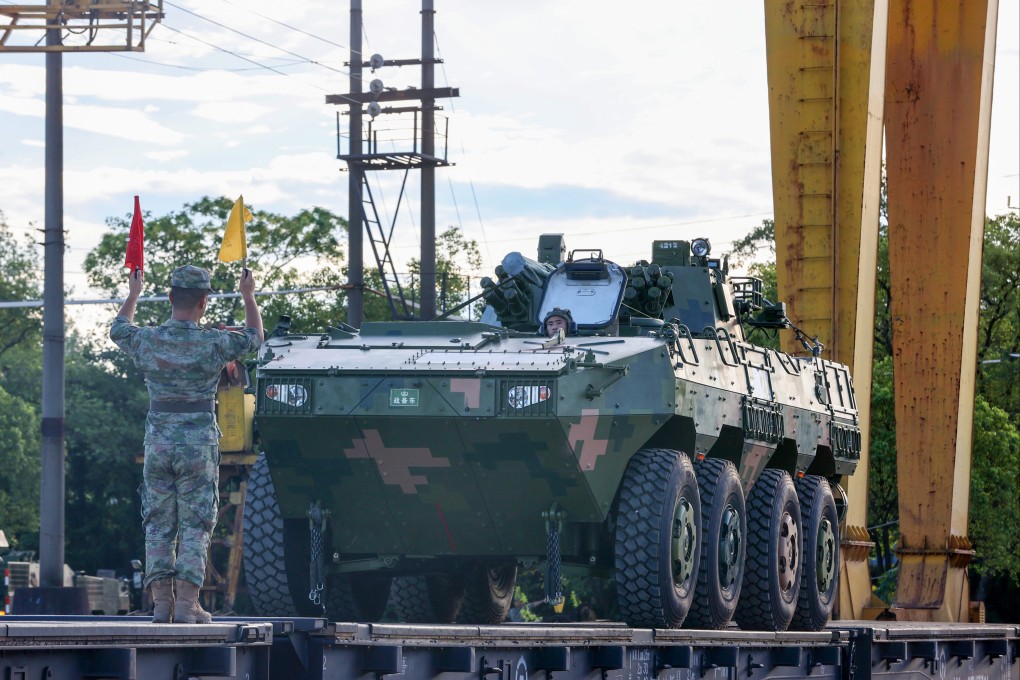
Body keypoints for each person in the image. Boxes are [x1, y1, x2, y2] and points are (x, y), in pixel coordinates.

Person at [110, 265, 264, 624]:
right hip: (198, 443)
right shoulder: (214, 342)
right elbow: (255, 338)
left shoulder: (147, 340)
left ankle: (161, 604)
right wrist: (248, 295)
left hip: (158, 443)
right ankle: (187, 605)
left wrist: (133, 294)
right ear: (204, 302)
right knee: (196, 523)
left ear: (169, 298)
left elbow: (118, 330)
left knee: (158, 522)